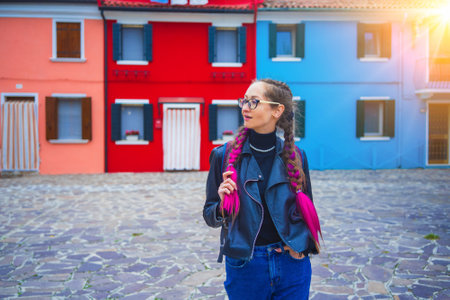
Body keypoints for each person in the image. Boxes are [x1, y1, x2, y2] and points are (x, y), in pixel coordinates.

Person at [203, 78, 321, 299]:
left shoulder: (297, 156)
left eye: (254, 102)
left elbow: (307, 210)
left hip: (292, 265)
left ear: (277, 111)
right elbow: (210, 215)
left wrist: (301, 249)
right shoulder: (223, 156)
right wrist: (222, 204)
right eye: (244, 101)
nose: (245, 108)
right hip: (246, 265)